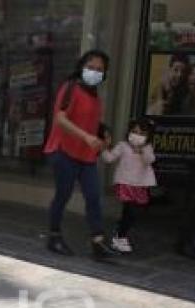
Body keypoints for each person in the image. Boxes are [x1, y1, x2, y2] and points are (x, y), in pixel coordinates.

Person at [43, 49, 117, 261]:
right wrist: (86, 136)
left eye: (99, 69)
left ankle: (98, 242)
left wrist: (103, 131)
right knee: (63, 195)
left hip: (86, 155)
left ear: (104, 74)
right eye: (91, 67)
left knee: (94, 196)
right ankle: (54, 236)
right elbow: (61, 119)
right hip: (64, 150)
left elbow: (88, 120)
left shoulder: (95, 97)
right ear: (82, 67)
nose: (94, 72)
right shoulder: (70, 88)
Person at [101, 118, 156, 253]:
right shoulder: (122, 146)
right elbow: (109, 158)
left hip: (140, 185)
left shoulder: (147, 148)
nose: (137, 135)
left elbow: (150, 160)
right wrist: (103, 147)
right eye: (134, 132)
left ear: (147, 136)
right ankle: (120, 236)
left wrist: (141, 150)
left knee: (134, 213)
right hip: (125, 183)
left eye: (141, 133)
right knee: (129, 209)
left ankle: (121, 232)